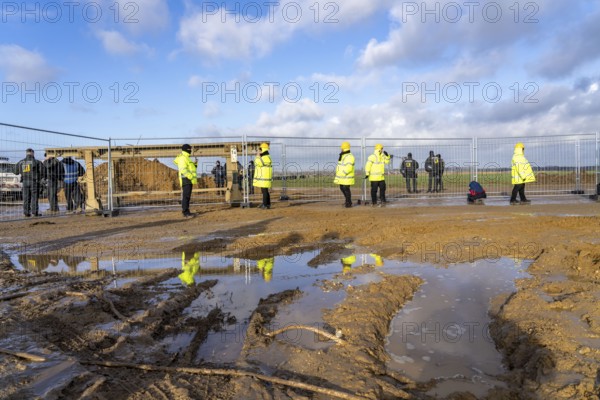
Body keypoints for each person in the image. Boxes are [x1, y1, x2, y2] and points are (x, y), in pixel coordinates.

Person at [14, 148, 45, 217]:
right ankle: (35, 212)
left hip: (25, 181)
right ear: (33, 153)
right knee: (34, 197)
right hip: (34, 182)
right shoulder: (37, 162)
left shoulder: (21, 162)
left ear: (26, 153)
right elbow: (42, 172)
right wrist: (39, 178)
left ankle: (26, 213)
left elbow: (15, 172)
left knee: (26, 197)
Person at [174, 144, 197, 218]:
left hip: (188, 180)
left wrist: (195, 164)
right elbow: (183, 169)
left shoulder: (187, 158)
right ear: (187, 149)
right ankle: (185, 212)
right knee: (186, 196)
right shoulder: (183, 158)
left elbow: (191, 169)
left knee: (187, 196)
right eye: (190, 149)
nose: (191, 150)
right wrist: (190, 176)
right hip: (186, 180)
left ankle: (186, 211)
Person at [333, 141, 355, 208]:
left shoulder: (349, 156)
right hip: (342, 177)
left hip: (346, 176)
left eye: (341, 148)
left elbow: (349, 167)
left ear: (344, 148)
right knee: (342, 188)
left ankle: (348, 203)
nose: (341, 149)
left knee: (346, 189)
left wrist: (343, 173)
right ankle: (348, 201)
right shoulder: (342, 156)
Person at [253, 143, 272, 209]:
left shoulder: (265, 157)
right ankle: (267, 204)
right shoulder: (266, 156)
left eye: (260, 149)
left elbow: (258, 163)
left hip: (264, 177)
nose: (259, 150)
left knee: (264, 191)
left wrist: (258, 156)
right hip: (264, 176)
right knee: (265, 190)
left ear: (263, 149)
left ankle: (265, 204)